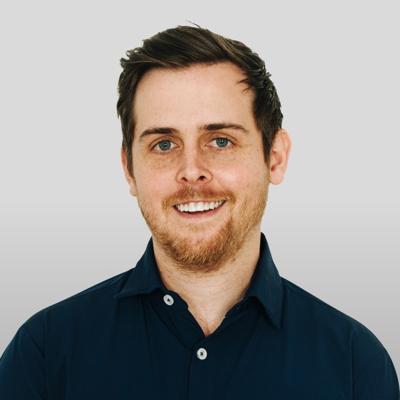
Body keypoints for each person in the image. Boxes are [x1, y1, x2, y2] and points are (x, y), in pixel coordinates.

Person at [0, 24, 398, 399]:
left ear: (274, 158)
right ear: (129, 169)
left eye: (221, 141)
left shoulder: (355, 365)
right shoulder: (45, 354)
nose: (191, 171)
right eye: (164, 144)